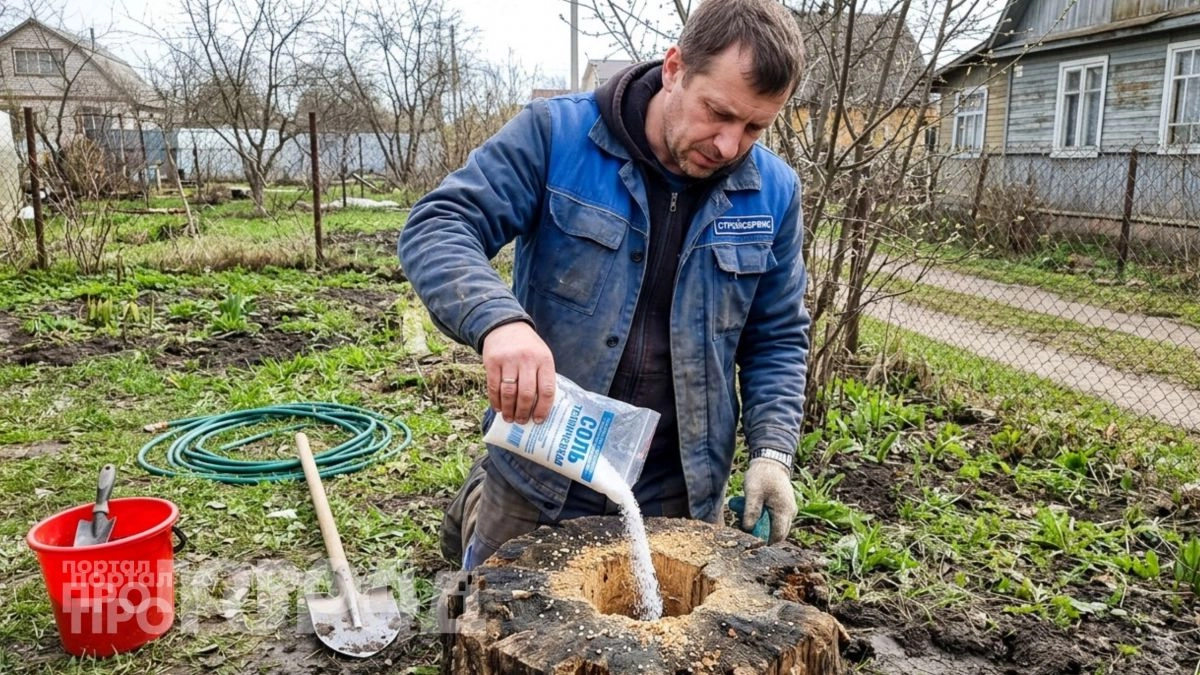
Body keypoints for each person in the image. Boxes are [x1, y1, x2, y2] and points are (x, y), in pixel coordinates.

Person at [399, 0, 809, 570]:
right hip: (542, 467)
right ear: (674, 68)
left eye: (755, 127)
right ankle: (477, 503)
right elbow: (440, 224)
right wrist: (500, 321)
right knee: (490, 635)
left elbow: (778, 338)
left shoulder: (774, 193)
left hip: (680, 488)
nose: (728, 146)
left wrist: (771, 453)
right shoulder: (556, 137)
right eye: (717, 112)